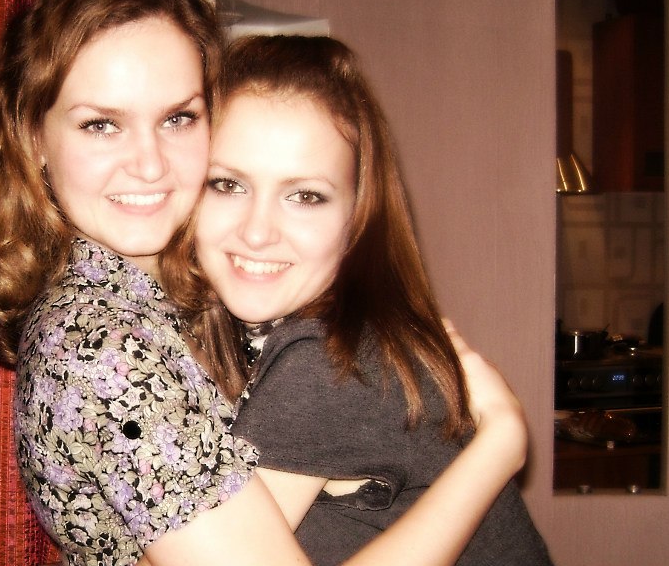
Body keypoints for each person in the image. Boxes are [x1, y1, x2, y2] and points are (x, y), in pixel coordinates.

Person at [0, 0, 531, 566]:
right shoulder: (103, 344)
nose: (149, 164)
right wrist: (498, 448)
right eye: (101, 125)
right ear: (33, 136)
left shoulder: (233, 324)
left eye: (177, 118)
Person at [174, 35, 553, 565]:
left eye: (305, 196)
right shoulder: (262, 341)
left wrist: (501, 446)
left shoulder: (326, 362)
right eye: (228, 184)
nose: (257, 232)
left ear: (358, 216)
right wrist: (498, 447)